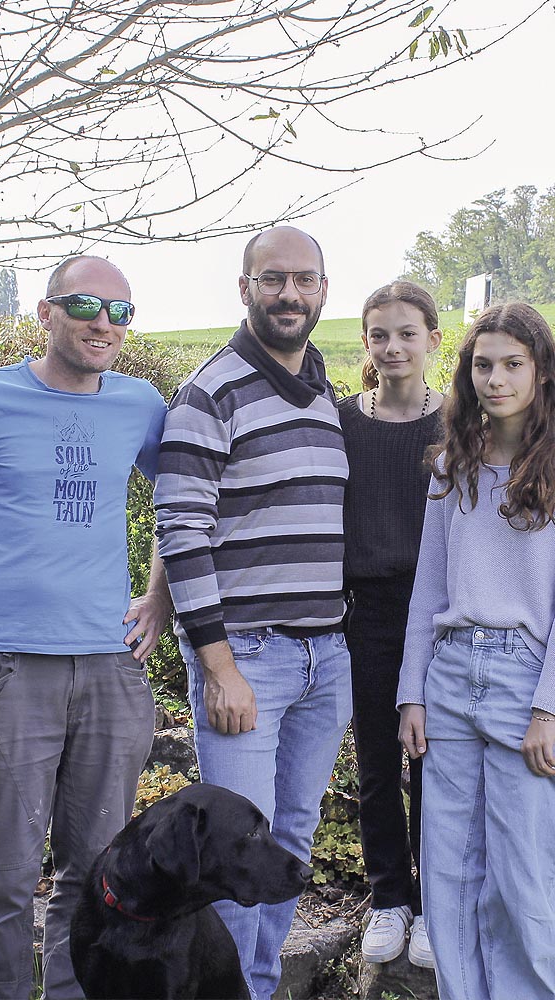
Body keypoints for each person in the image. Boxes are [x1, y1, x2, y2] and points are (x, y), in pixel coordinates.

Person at [0, 255, 170, 1000]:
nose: (104, 323)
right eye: (87, 305)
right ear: (46, 312)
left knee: (94, 875)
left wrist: (158, 597)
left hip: (109, 664)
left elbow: (180, 503)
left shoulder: (140, 404)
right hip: (12, 667)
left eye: (120, 311)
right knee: (2, 873)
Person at [155, 226, 351, 1000]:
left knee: (288, 846)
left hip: (324, 656)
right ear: (245, 289)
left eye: (304, 280)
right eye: (273, 280)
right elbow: (180, 529)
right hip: (249, 657)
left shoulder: (325, 392)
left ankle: (259, 988)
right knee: (234, 858)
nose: (289, 295)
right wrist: (219, 665)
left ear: (324, 291)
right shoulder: (212, 391)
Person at [397, 303, 555, 999]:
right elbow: (428, 584)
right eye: (482, 365)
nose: (495, 379)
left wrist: (549, 709)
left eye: (512, 364)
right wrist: (413, 691)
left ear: (541, 371)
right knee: (450, 870)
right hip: (451, 675)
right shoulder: (450, 463)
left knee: (522, 872)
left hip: (526, 679)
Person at [339, 281, 443, 968]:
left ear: (434, 339)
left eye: (407, 332)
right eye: (380, 334)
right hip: (367, 612)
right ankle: (389, 899)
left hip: (440, 613)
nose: (394, 346)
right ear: (367, 343)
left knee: (440, 762)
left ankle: (437, 905)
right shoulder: (343, 421)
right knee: (377, 762)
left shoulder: (462, 422)